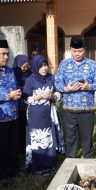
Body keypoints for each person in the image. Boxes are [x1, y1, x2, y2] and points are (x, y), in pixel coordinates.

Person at [55, 37, 96, 158]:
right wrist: (66, 89)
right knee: (70, 139)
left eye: (80, 51)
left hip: (87, 109)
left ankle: (88, 162)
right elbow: (58, 83)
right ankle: (70, 162)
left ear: (84, 50)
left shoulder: (92, 65)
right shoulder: (64, 64)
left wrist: (88, 86)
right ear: (70, 50)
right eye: (74, 51)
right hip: (69, 109)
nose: (77, 54)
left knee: (87, 139)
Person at [23, 55, 64, 174]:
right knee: (38, 139)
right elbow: (25, 99)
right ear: (35, 67)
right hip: (35, 115)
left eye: (45, 65)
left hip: (49, 114)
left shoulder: (51, 77)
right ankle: (38, 166)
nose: (44, 68)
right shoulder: (30, 79)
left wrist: (52, 96)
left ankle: (49, 165)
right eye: (40, 66)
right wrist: (39, 96)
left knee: (48, 139)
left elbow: (59, 94)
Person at [0, 40, 22, 185]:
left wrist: (17, 93)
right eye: (2, 54)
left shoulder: (9, 70)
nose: (6, 57)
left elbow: (13, 87)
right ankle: (4, 175)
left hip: (13, 116)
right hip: (1, 119)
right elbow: (7, 94)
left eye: (7, 54)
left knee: (14, 145)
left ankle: (15, 170)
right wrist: (9, 96)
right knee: (2, 149)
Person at [12, 54, 32, 153]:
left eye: (26, 64)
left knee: (26, 126)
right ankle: (19, 149)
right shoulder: (13, 72)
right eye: (22, 65)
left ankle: (26, 146)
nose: (24, 67)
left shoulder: (30, 73)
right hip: (16, 106)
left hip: (28, 104)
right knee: (18, 128)